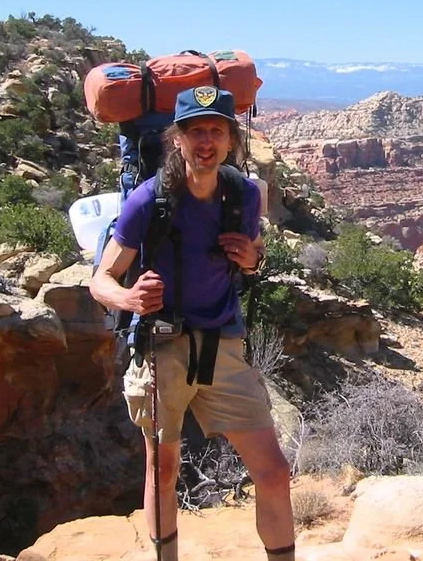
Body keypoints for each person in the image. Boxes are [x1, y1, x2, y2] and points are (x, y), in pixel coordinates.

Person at [90, 86, 295, 561]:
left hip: (222, 344)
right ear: (177, 139)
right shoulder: (150, 200)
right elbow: (101, 278)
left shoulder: (244, 195)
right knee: (161, 470)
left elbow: (251, 257)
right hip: (163, 344)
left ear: (230, 140)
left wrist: (253, 260)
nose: (206, 141)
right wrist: (130, 298)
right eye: (196, 131)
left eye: (216, 131)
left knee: (273, 472)